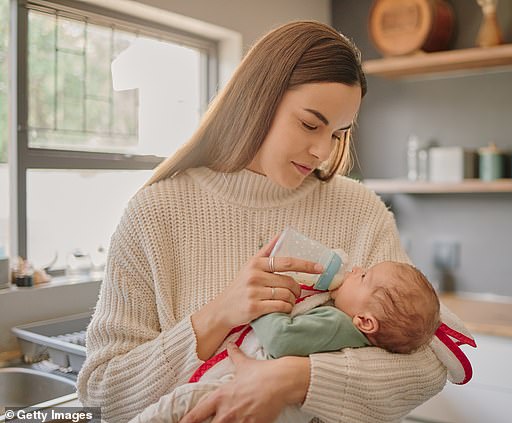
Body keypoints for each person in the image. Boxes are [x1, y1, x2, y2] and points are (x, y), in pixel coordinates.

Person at [77, 20, 463, 423]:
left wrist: (293, 379)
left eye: (337, 134)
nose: (322, 151)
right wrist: (217, 315)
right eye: (310, 124)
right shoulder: (155, 213)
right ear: (258, 99)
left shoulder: (360, 211)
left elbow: (429, 363)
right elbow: (104, 394)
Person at [130, 261, 441, 422]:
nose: (356, 269)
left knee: (175, 406)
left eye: (364, 277)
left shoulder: (336, 323)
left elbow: (282, 338)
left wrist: (259, 307)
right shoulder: (352, 330)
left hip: (233, 394)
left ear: (365, 321)